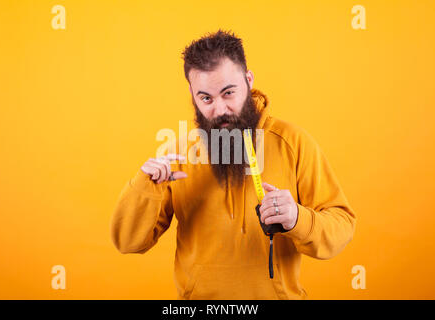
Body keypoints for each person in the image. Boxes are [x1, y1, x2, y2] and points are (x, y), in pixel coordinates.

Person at [110, 29, 356, 300]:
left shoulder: (293, 143)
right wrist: (145, 188)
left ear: (248, 80)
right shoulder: (176, 155)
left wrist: (298, 218)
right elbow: (127, 242)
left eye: (228, 93)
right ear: (192, 95)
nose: (219, 110)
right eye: (206, 98)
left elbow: (341, 225)